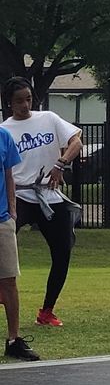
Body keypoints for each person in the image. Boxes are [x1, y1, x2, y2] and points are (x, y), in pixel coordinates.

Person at [2, 78, 84, 326]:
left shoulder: (48, 118)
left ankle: (47, 311)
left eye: (28, 99)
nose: (25, 105)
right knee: (3, 249)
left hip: (48, 195)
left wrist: (61, 163)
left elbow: (76, 140)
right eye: (19, 101)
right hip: (20, 195)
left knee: (62, 251)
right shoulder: (5, 130)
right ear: (9, 103)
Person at [0, 121, 39, 360]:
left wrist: (12, 209)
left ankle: (14, 340)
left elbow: (8, 175)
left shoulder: (3, 136)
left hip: (1, 220)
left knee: (9, 281)